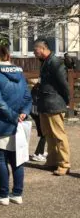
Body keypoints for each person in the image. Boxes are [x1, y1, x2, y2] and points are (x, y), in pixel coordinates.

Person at [0, 46, 32, 205]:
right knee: (18, 159)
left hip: (0, 123)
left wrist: (13, 117)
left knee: (1, 160)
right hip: (18, 124)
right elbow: (27, 97)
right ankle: (17, 193)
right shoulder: (19, 72)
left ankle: (4, 194)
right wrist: (23, 113)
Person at [33, 39, 71, 176]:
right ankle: (52, 160)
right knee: (48, 134)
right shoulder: (45, 62)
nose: (34, 53)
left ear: (42, 48)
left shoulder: (55, 62)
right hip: (45, 104)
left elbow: (63, 83)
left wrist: (67, 100)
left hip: (55, 103)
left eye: (35, 49)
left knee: (59, 135)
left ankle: (64, 164)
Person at [30, 83, 47, 162]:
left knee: (43, 133)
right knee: (44, 134)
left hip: (34, 112)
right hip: (38, 112)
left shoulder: (36, 86)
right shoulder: (42, 87)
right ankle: (38, 154)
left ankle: (41, 151)